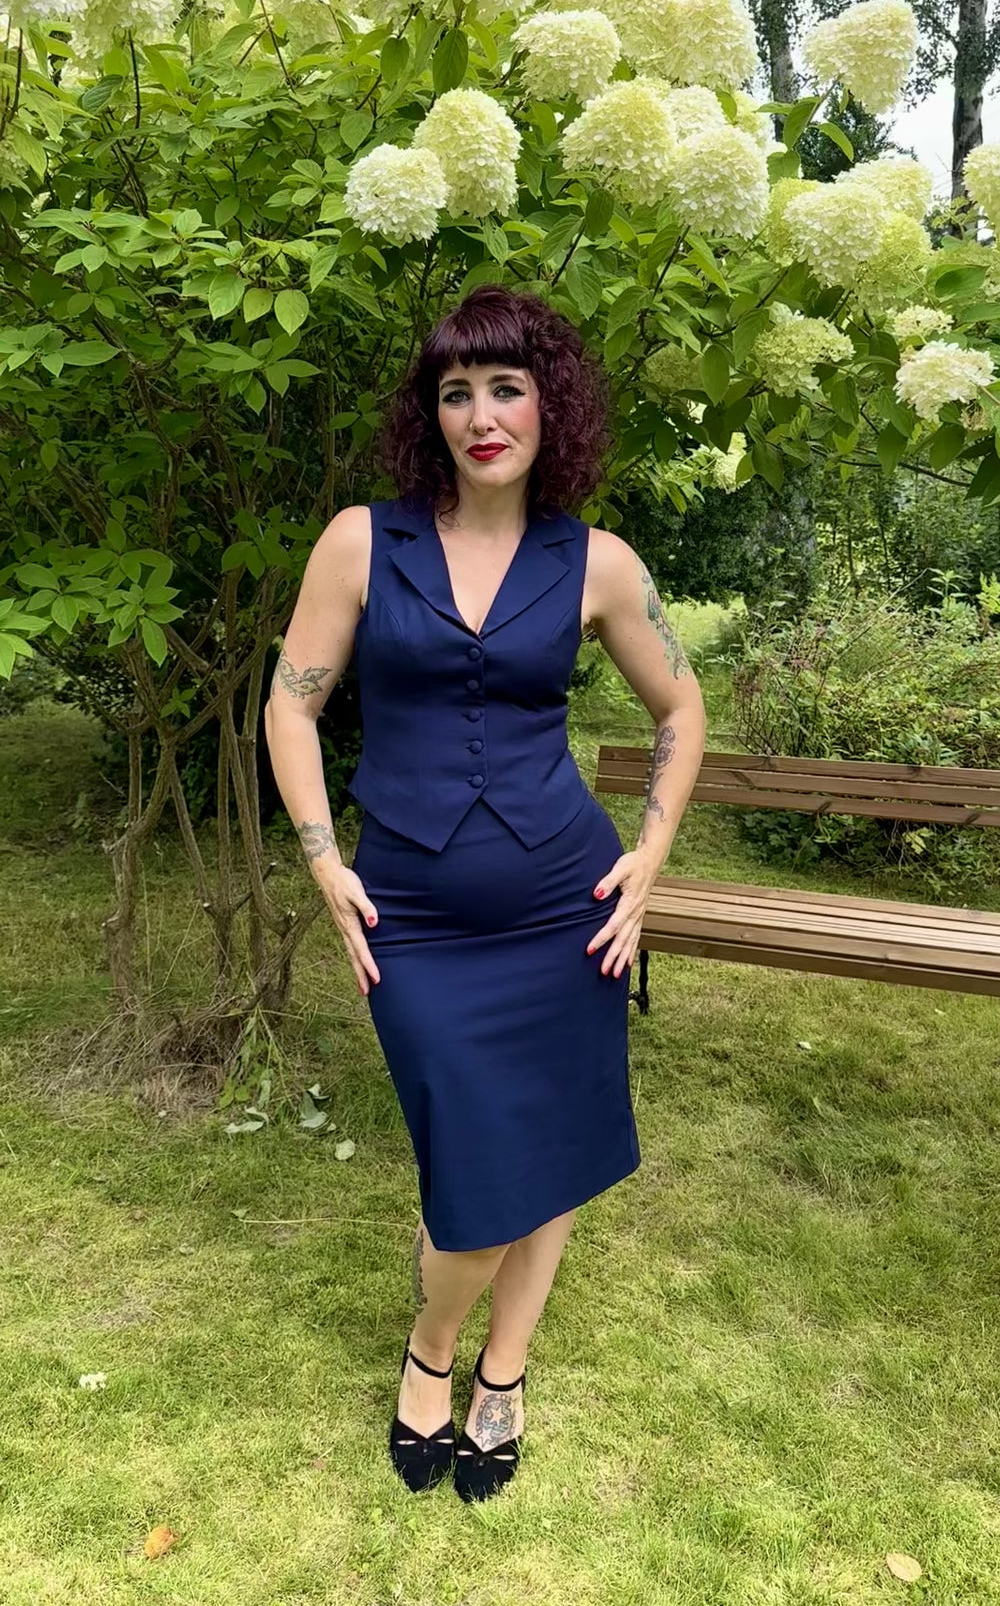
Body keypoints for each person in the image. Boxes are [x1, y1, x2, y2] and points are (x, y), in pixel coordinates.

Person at [264, 283, 706, 1504]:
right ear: (433, 414)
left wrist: (649, 858)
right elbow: (291, 706)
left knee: (550, 1140)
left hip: (564, 907)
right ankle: (431, 1348)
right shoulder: (363, 543)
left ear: (548, 405)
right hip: (410, 916)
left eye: (506, 388)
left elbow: (680, 707)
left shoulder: (596, 562)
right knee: (470, 1155)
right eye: (456, 392)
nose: (481, 415)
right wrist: (323, 862)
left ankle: (500, 1371)